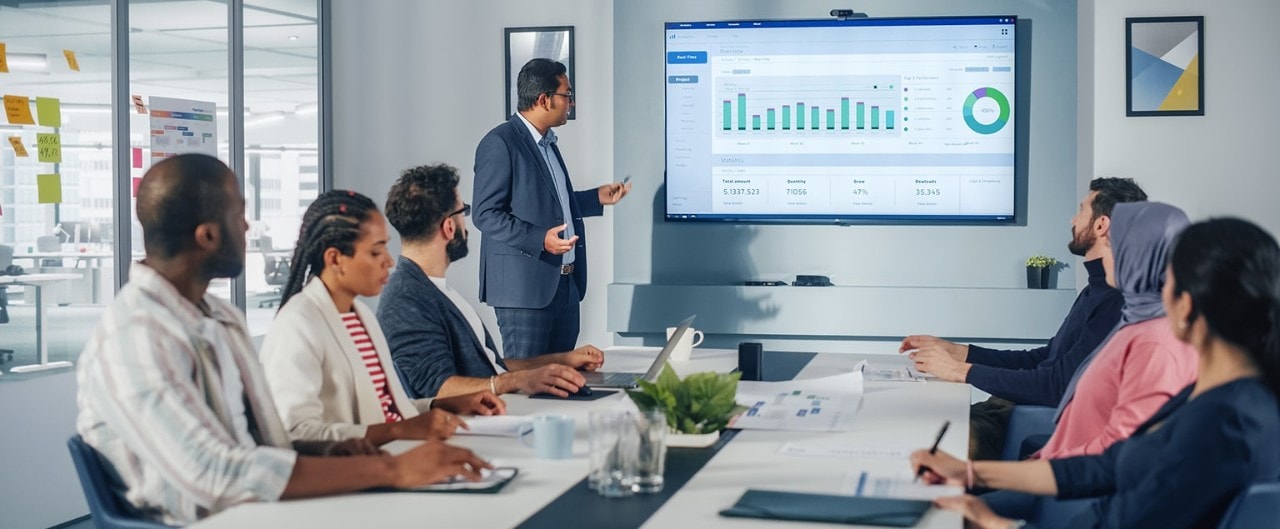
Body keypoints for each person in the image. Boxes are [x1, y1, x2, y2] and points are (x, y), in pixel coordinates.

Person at [75, 154, 490, 525]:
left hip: (262, 510)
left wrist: (337, 452)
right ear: (206, 236)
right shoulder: (135, 336)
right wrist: (392, 470)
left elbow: (271, 438)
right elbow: (216, 475)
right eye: (238, 214)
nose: (247, 225)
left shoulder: (218, 317)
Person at [913, 217, 1280, 529]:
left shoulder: (1219, 427)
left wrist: (995, 523)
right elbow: (1107, 467)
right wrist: (971, 474)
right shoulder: (1225, 396)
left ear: (1185, 305)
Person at [900, 178, 1147, 459]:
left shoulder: (1116, 301)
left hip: (1022, 419)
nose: (1073, 219)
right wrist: (958, 352)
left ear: (1101, 225)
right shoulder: (1095, 291)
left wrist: (960, 371)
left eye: (1082, 210)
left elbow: (1058, 385)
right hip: (1005, 408)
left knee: (918, 441)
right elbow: (1043, 358)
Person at [260, 190, 506, 447]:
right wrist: (396, 432)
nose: (389, 261)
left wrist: (444, 405)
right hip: (359, 472)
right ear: (335, 259)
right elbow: (296, 434)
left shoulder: (360, 315)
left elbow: (385, 410)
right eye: (376, 253)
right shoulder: (297, 324)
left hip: (391, 455)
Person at [380, 163, 605, 399]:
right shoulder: (406, 297)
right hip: (480, 425)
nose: (466, 224)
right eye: (463, 211)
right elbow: (438, 388)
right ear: (448, 227)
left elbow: (490, 365)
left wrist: (563, 360)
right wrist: (518, 381)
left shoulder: (432, 289)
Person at [473, 58, 631, 360]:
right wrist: (539, 239)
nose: (570, 103)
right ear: (544, 99)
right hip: (524, 293)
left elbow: (553, 204)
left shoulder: (548, 143)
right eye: (567, 95)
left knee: (561, 383)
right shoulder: (500, 143)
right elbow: (485, 214)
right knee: (528, 386)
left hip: (565, 286)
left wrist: (595, 198)